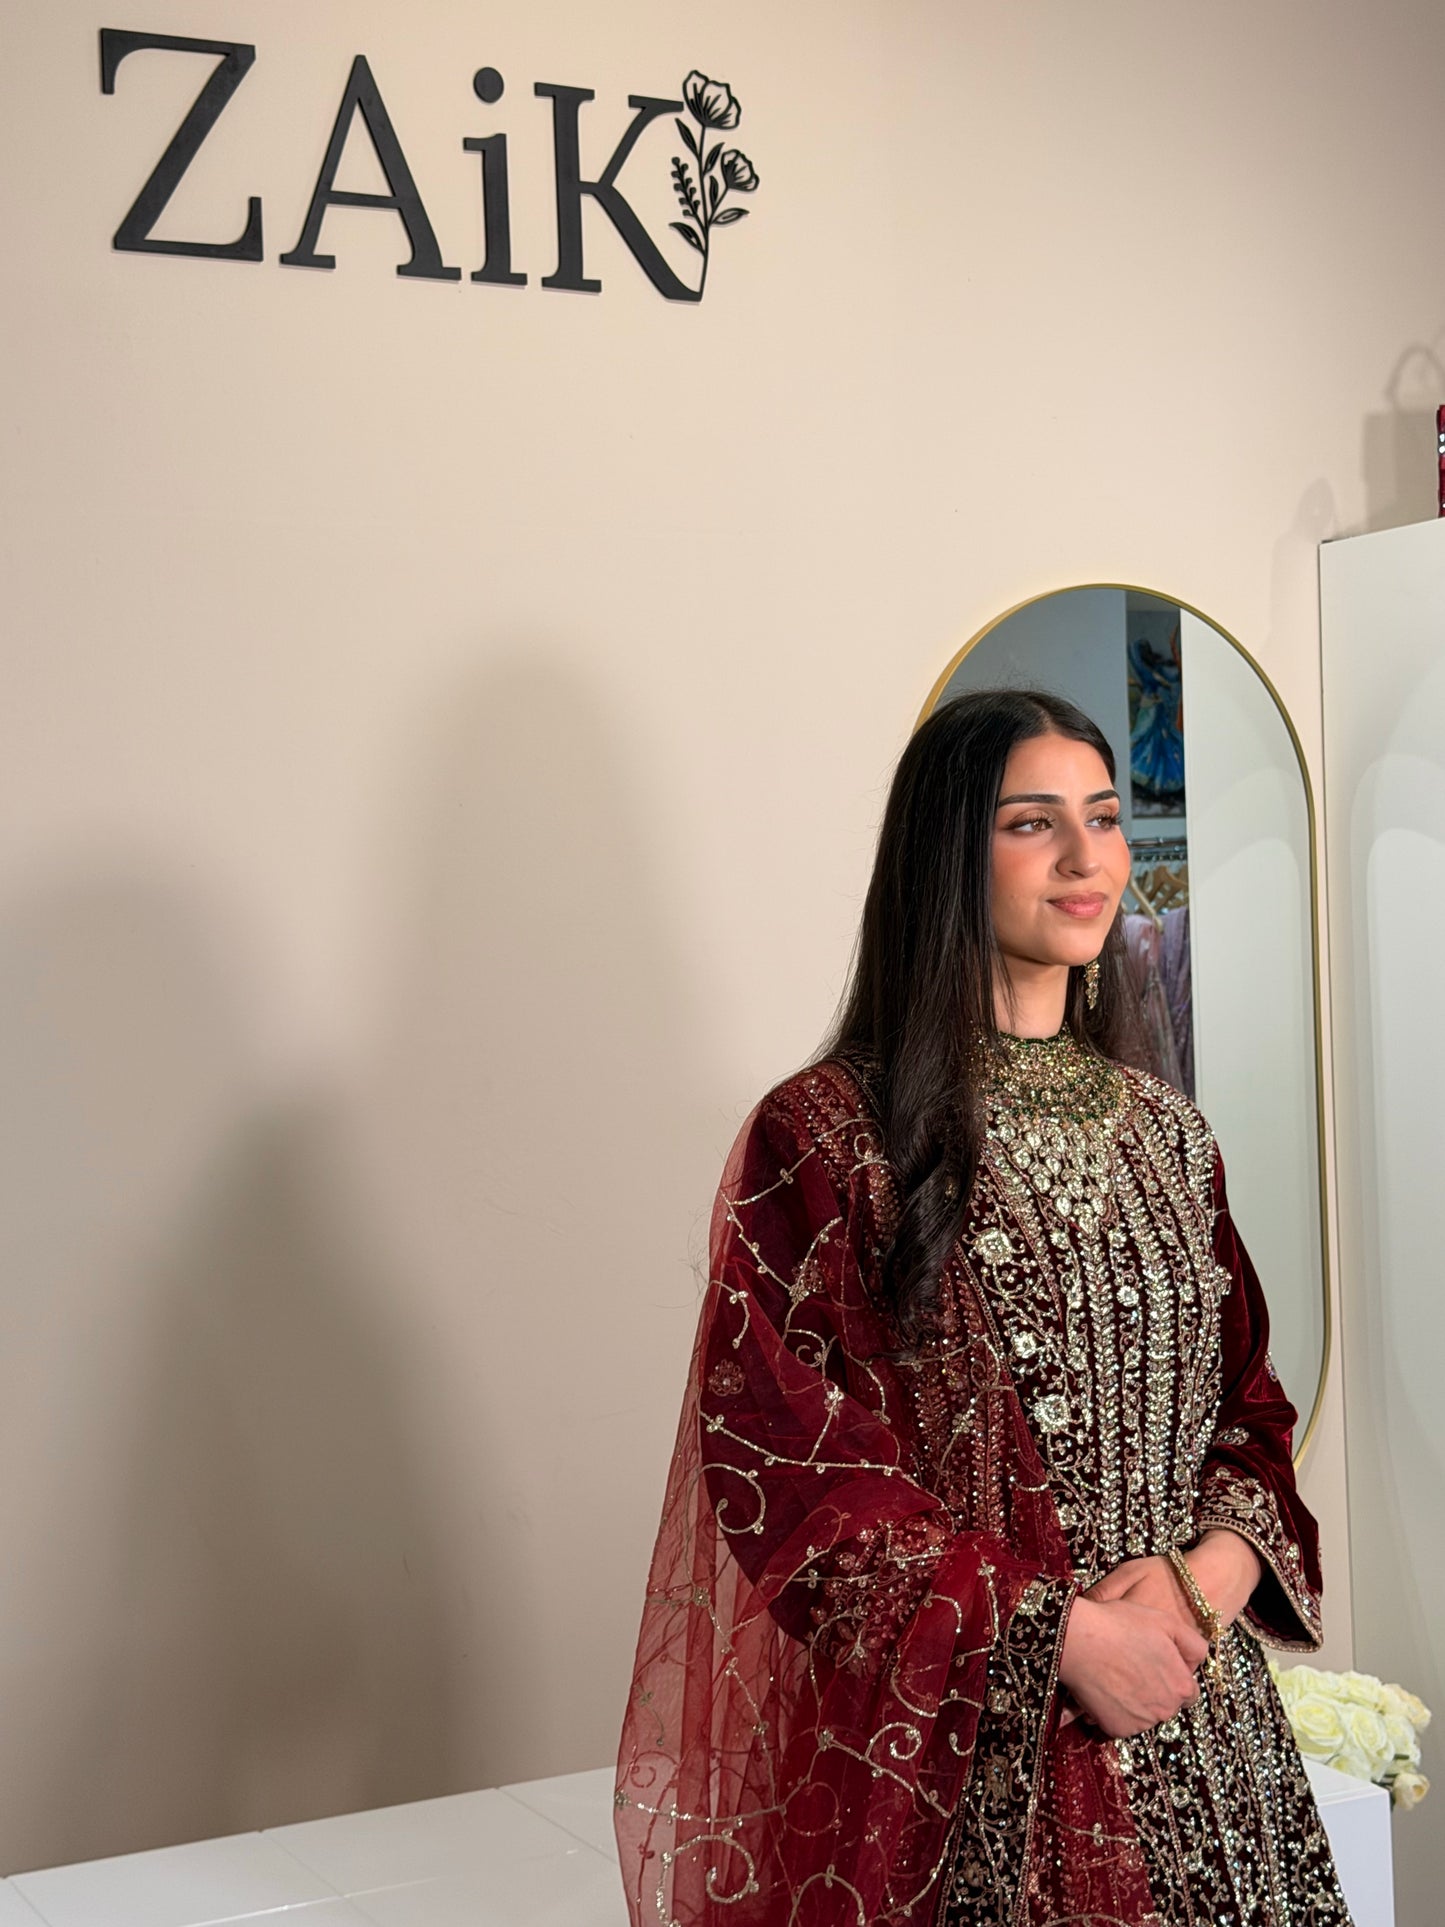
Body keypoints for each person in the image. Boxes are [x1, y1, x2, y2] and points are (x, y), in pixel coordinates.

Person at [615, 689, 1353, 1926]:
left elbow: (1248, 1416)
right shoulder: (829, 1135)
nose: (1085, 857)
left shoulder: (1169, 1136)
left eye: (1105, 818)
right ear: (947, 853)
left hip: (1205, 1741)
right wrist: (1058, 1636)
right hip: (963, 1776)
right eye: (1031, 823)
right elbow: (790, 1472)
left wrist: (1195, 1591)